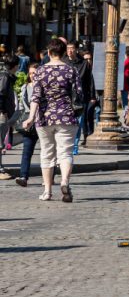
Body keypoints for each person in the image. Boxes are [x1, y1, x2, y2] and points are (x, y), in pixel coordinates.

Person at [21, 38, 83, 202]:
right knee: (65, 153)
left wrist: (30, 118)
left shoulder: (40, 71)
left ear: (49, 53)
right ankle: (64, 181)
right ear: (64, 54)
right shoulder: (71, 71)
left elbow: (35, 97)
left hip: (44, 118)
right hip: (66, 117)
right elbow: (79, 94)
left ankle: (47, 191)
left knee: (47, 154)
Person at [15, 62, 40, 187]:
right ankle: (23, 176)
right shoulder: (25, 87)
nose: (32, 76)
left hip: (42, 121)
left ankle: (50, 178)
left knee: (48, 151)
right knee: (26, 151)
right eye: (30, 73)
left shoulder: (44, 87)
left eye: (34, 73)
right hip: (28, 123)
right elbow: (21, 106)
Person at [0, 55, 16, 179]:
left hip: (4, 112)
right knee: (0, 141)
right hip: (2, 113)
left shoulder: (6, 75)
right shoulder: (5, 76)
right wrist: (2, 110)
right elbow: (1, 93)